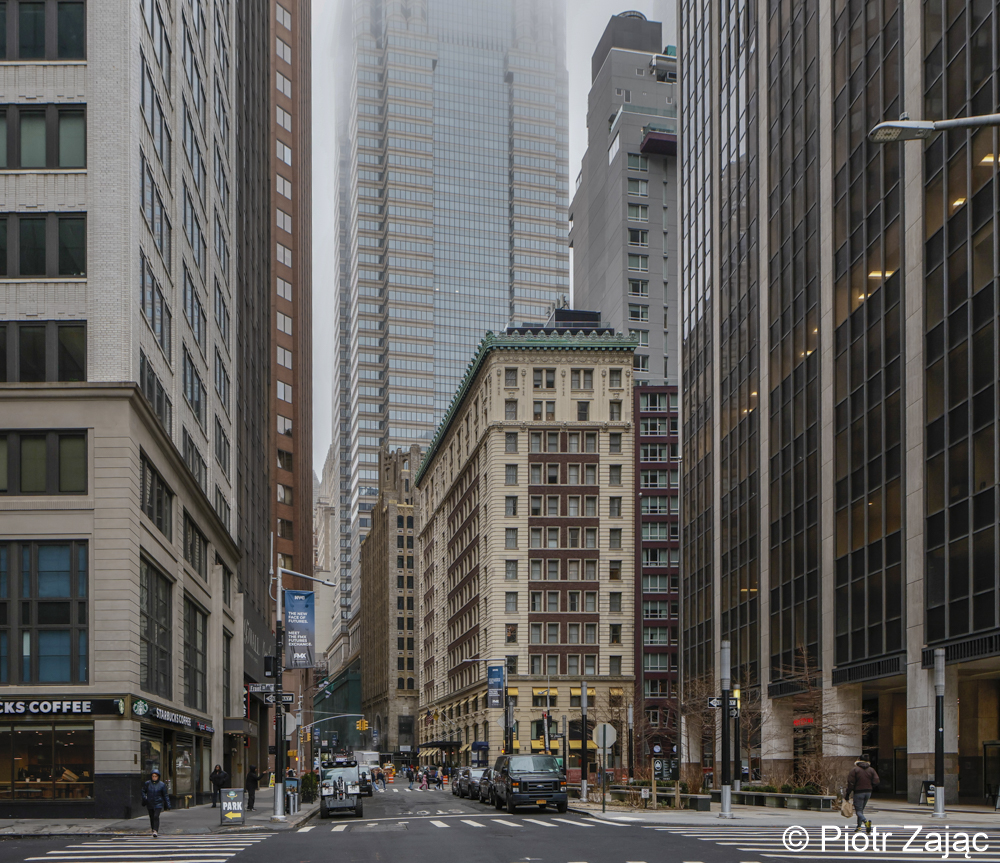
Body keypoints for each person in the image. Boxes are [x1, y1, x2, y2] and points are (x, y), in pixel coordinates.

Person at [846, 757, 880, 834]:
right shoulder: (871, 770)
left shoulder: (855, 770)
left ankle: (865, 822)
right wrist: (871, 786)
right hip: (868, 792)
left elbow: (850, 783)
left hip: (858, 792)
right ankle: (858, 827)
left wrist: (848, 794)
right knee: (861, 810)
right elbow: (876, 780)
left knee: (858, 810)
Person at [141, 770, 170, 837]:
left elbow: (165, 795)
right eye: (153, 776)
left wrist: (168, 803)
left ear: (158, 777)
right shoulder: (147, 783)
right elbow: (143, 791)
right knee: (152, 817)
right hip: (150, 803)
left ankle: (155, 830)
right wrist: (144, 798)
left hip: (158, 803)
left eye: (155, 776)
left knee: (156, 816)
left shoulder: (161, 785)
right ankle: (153, 829)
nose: (154, 777)